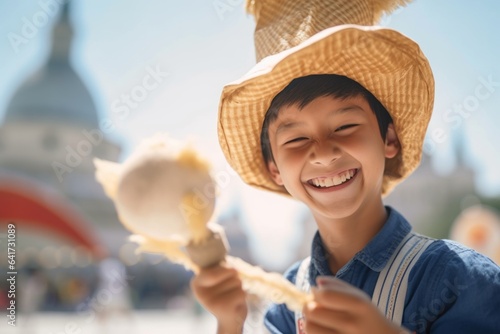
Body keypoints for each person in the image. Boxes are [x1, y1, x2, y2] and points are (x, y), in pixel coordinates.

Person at [191, 0, 500, 333]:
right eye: (295, 140)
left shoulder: (458, 278)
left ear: (389, 140)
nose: (323, 154)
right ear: (273, 167)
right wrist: (229, 321)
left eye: (345, 127)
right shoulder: (286, 301)